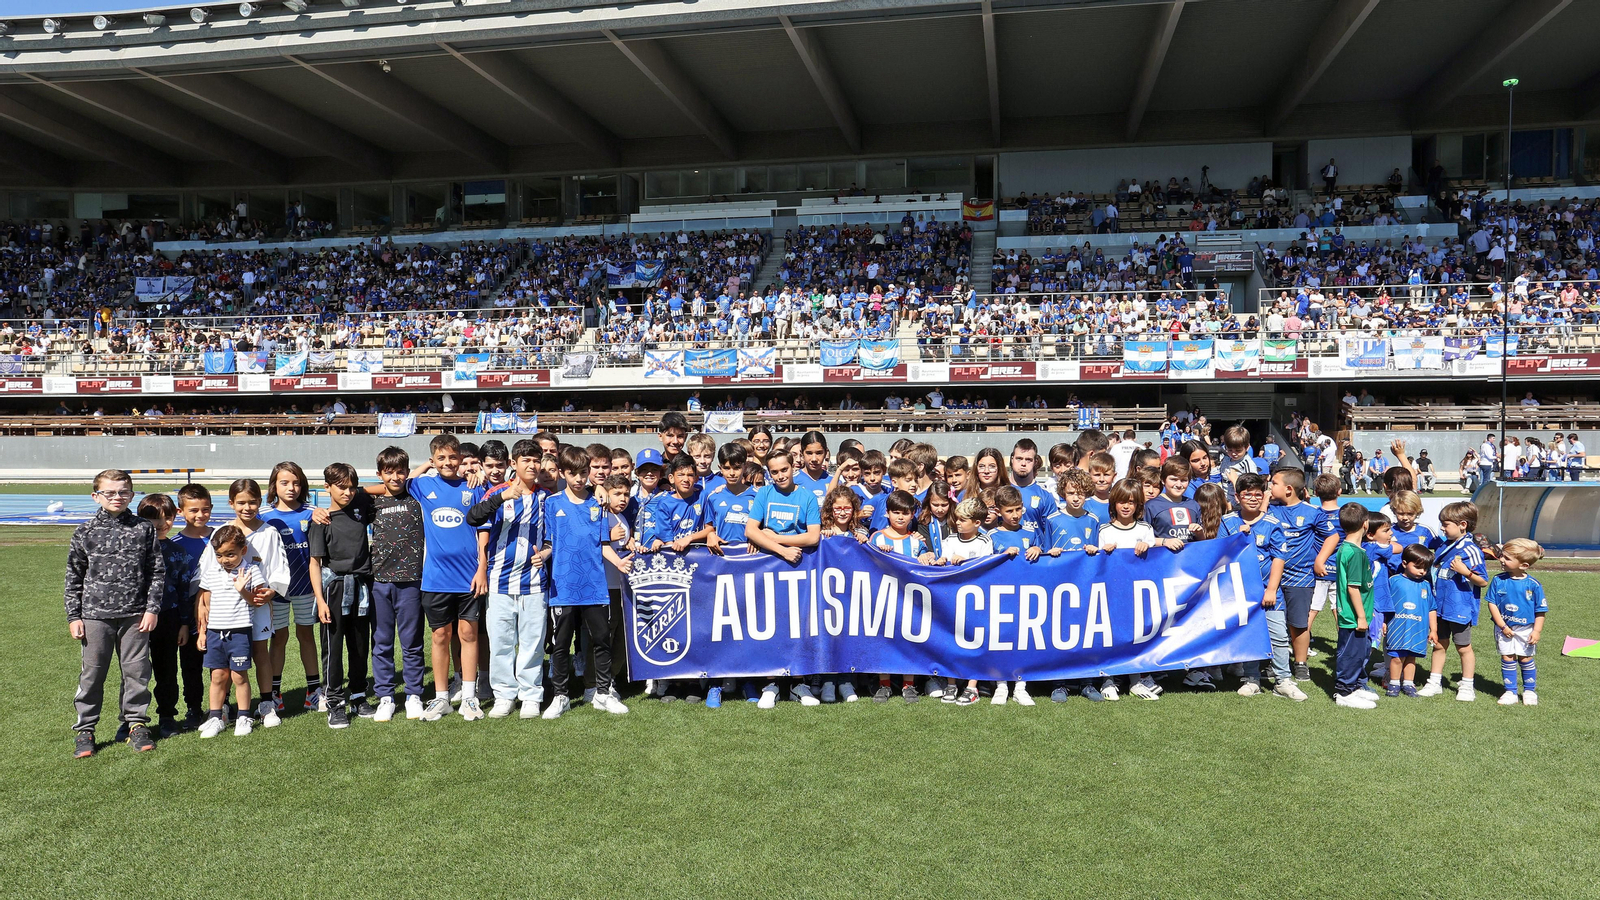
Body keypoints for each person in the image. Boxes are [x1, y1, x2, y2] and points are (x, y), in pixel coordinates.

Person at [64, 469, 164, 757]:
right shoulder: (84, 532)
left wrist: (152, 609)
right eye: (110, 492)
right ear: (96, 496)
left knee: (137, 673)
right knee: (92, 675)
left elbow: (156, 572)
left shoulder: (144, 529)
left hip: (135, 616)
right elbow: (74, 576)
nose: (117, 497)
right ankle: (86, 730)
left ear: (132, 495)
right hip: (95, 615)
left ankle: (135, 724)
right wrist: (74, 616)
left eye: (123, 492)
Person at [465, 439, 551, 720]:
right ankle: (504, 695)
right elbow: (473, 518)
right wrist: (501, 498)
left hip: (534, 582)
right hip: (500, 580)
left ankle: (530, 695)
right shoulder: (497, 493)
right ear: (514, 464)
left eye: (536, 460)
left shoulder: (546, 498)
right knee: (501, 642)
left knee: (532, 642)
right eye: (526, 460)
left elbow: (553, 537)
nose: (532, 465)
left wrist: (547, 551)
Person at [542, 446, 629, 719]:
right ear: (563, 473)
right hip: (564, 586)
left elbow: (602, 543)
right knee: (561, 643)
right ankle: (561, 697)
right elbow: (549, 542)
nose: (579, 479)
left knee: (601, 640)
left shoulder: (598, 503)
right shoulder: (552, 503)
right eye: (573, 473)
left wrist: (619, 563)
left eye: (583, 473)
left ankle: (603, 693)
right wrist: (543, 554)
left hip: (594, 586)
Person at [745, 449, 822, 709]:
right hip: (770, 567)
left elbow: (813, 537)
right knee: (771, 624)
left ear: (793, 468)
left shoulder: (806, 496)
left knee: (799, 626)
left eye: (784, 470)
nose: (779, 475)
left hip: (800, 569)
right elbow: (750, 529)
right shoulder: (764, 493)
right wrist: (781, 550)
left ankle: (799, 683)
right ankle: (772, 684)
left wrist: (775, 538)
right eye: (774, 471)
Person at [307, 463, 375, 729]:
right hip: (334, 590)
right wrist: (321, 600)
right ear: (327, 487)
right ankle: (334, 702)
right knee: (333, 650)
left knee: (359, 646)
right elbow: (315, 563)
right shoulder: (321, 521)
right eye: (341, 487)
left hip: (361, 587)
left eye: (351, 487)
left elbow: (393, 485)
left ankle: (358, 695)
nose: (347, 492)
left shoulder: (360, 509)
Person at [1221, 473, 1293, 699]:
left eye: (1257, 494)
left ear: (1264, 496)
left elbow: (1278, 559)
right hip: (1240, 592)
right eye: (1247, 494)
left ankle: (1284, 680)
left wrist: (1271, 589)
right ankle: (1251, 679)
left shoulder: (1273, 524)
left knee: (1279, 636)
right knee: (1250, 634)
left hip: (1269, 591)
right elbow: (1220, 555)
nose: (1252, 498)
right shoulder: (1228, 522)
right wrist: (1235, 540)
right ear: (1237, 496)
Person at [368, 447, 427, 722]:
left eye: (400, 471)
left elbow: (417, 478)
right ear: (380, 474)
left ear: (407, 471)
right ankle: (386, 697)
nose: (395, 477)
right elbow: (351, 494)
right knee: (381, 643)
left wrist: (425, 466)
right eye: (388, 472)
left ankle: (414, 694)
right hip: (380, 581)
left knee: (412, 643)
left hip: (411, 581)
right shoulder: (372, 503)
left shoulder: (416, 496)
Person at [194, 525, 266, 739]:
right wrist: (202, 633)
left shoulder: (251, 570)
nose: (225, 560)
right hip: (216, 632)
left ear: (243, 551)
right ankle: (215, 717)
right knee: (217, 676)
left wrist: (242, 589)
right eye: (219, 555)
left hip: (240, 632)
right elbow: (205, 605)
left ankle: (244, 716)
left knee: (238, 676)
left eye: (230, 554)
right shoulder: (210, 572)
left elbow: (257, 602)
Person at [260, 461, 319, 717]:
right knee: (279, 638)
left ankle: (314, 692)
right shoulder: (263, 515)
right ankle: (274, 693)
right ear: (274, 485)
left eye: (296, 482)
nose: (291, 487)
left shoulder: (312, 513)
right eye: (284, 482)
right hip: (277, 590)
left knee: (306, 635)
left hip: (306, 587)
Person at [136, 494, 195, 738]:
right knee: (134, 671)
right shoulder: (133, 549)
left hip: (168, 617)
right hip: (135, 619)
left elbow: (183, 590)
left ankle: (167, 715)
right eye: (154, 519)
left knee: (167, 670)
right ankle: (132, 719)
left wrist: (183, 623)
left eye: (167, 518)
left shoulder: (177, 551)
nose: (161, 524)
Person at [1418, 501, 1489, 700]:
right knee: (1439, 644)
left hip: (1459, 607)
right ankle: (1434, 682)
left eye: (1446, 524)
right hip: (1439, 606)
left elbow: (1483, 581)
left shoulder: (1471, 549)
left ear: (1462, 525)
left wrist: (1465, 572)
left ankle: (1467, 686)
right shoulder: (1444, 545)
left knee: (1463, 647)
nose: (1442, 527)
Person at [1098, 478, 1158, 701]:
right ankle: (1108, 679)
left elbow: (1156, 562)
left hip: (1137, 592)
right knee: (1111, 635)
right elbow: (1097, 563)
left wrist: (1148, 547)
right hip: (1112, 592)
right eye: (1122, 501)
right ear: (1113, 503)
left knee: (1135, 635)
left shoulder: (1145, 529)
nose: (1126, 506)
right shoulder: (1105, 530)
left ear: (1138, 505)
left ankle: (1135, 680)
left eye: (1131, 502)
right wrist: (1104, 551)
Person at [1266, 468, 1321, 684]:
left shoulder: (1311, 512)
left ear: (1288, 489)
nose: (1270, 487)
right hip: (1273, 579)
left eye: (1274, 484)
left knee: (1298, 624)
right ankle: (1275, 662)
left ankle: (1300, 664)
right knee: (1274, 622)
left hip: (1301, 577)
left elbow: (1332, 536)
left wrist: (1319, 560)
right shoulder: (1270, 509)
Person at [1484, 538, 1547, 706]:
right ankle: (1510, 691)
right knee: (1507, 657)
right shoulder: (1498, 580)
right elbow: (1492, 603)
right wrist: (1502, 626)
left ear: (1524, 565)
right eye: (1502, 556)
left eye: (1507, 558)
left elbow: (1540, 611)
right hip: (1504, 628)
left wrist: (1536, 631)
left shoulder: (1534, 585)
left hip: (1526, 629)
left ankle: (1529, 691)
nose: (1501, 560)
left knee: (1525, 658)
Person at [171, 484, 214, 725]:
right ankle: (194, 708)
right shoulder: (175, 542)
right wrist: (184, 621)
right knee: (190, 664)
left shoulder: (220, 536)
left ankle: (222, 704)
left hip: (220, 613)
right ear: (181, 511)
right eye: (194, 510)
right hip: (187, 617)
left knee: (219, 663)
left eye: (205, 509)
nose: (200, 515)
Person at [1331, 503, 1378, 709]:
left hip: (1356, 614)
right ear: (1366, 524)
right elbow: (1352, 588)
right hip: (1352, 616)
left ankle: (1356, 685)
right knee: (1351, 653)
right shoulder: (1355, 554)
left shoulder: (1346, 548)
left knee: (1361, 652)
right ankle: (1344, 691)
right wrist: (1360, 616)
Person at [1378, 544, 1436, 698]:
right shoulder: (1394, 581)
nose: (1422, 572)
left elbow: (1431, 608)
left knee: (1411, 658)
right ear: (1404, 563)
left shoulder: (1426, 585)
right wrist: (1383, 621)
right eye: (1418, 567)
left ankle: (1409, 684)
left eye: (1425, 568)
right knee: (1396, 657)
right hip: (1397, 627)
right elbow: (1385, 603)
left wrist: (1434, 630)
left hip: (1417, 629)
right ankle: (1394, 683)